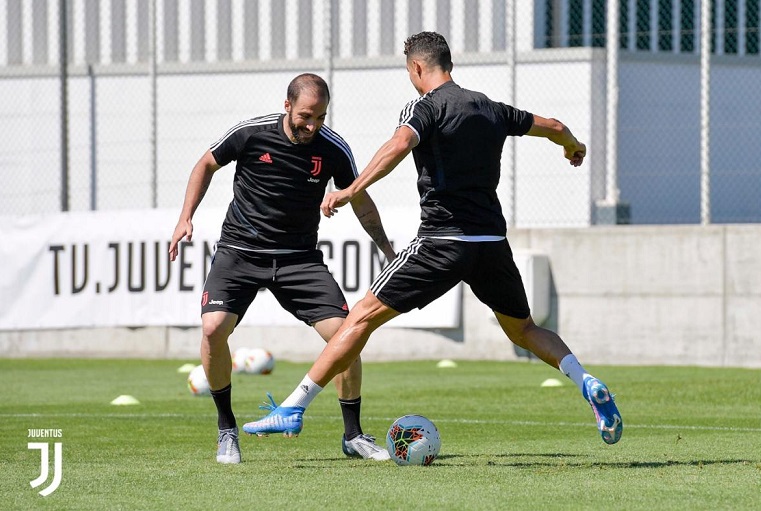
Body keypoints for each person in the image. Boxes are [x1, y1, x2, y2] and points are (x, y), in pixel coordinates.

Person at [242, 32, 623, 446]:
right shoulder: (490, 107)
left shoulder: (425, 107)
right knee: (525, 328)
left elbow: (399, 144)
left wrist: (351, 189)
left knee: (359, 318)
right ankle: (585, 380)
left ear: (418, 68)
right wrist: (573, 146)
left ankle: (293, 408)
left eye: (409, 71)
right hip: (491, 242)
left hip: (443, 240)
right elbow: (554, 126)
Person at [169, 73, 396, 464]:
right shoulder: (251, 134)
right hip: (240, 251)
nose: (313, 125)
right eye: (307, 115)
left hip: (298, 258)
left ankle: (353, 435)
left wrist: (385, 247)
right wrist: (184, 217)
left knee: (347, 336)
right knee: (212, 328)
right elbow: (205, 164)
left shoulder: (333, 148)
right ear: (287, 105)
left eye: (321, 117)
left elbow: (359, 198)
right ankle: (226, 430)